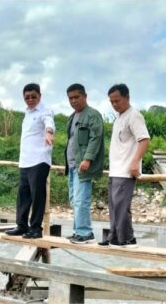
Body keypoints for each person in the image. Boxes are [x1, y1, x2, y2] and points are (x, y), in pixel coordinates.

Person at [100, 84, 150, 247]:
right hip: (115, 169)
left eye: (117, 101)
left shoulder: (134, 116)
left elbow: (144, 139)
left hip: (126, 169)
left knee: (121, 206)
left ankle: (128, 238)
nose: (114, 105)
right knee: (114, 206)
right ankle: (114, 238)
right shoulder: (119, 118)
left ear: (127, 98)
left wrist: (135, 162)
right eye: (112, 102)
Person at [5, 83, 55, 240]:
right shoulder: (27, 113)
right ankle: (21, 225)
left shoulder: (45, 111)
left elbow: (49, 123)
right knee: (23, 195)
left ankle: (35, 228)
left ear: (40, 95)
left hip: (39, 160)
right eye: (27, 97)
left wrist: (49, 133)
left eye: (34, 96)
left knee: (37, 195)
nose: (31, 99)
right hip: (25, 161)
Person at [64, 84, 104, 244]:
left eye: (76, 97)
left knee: (82, 200)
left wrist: (87, 159)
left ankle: (85, 233)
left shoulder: (92, 115)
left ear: (85, 96)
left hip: (82, 164)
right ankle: (78, 232)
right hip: (72, 165)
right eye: (70, 98)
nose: (73, 101)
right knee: (74, 199)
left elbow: (96, 138)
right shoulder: (72, 116)